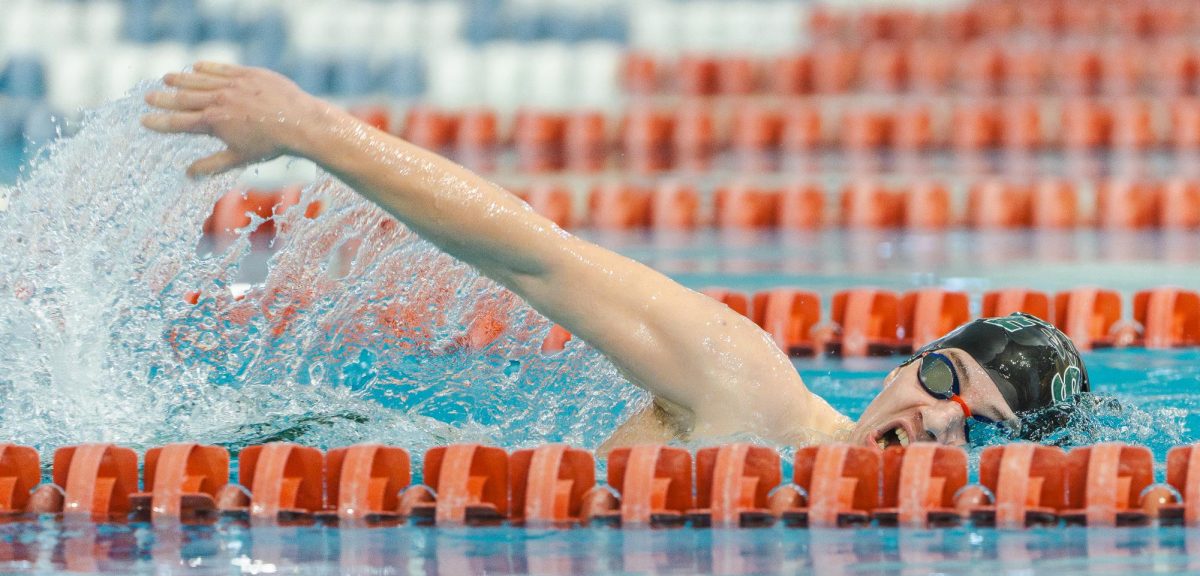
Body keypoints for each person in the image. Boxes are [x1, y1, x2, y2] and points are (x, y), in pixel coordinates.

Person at [142, 62, 1089, 453]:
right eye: (942, 375)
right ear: (901, 363)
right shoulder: (746, 393)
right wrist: (314, 129)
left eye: (983, 427)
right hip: (335, 466)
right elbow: (532, 256)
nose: (936, 420)